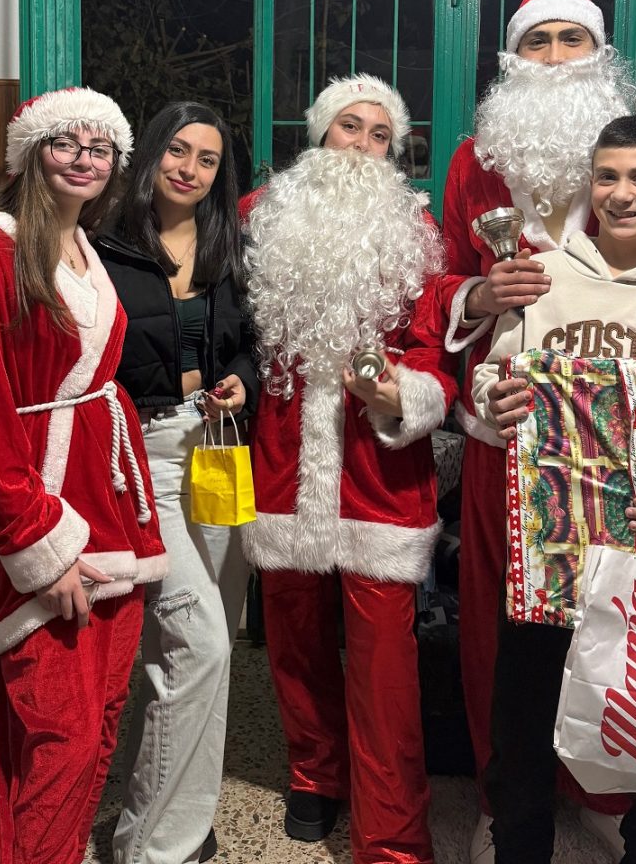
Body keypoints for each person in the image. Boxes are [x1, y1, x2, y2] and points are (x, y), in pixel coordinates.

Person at [439, 0, 636, 862]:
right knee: (513, 648)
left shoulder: (634, 148)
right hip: (525, 464)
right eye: (538, 41)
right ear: (511, 57)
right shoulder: (474, 159)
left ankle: (616, 796)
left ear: (600, 54)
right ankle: (510, 805)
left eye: (573, 39)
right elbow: (448, 284)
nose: (556, 57)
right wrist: (478, 296)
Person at [0, 87, 168, 864]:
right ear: (30, 152)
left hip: (108, 507)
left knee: (99, 717)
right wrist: (38, 544)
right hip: (41, 513)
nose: (83, 159)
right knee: (60, 732)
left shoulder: (83, 243)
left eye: (99, 148)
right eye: (64, 143)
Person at [241, 74, 458, 864]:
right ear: (319, 134)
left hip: (378, 464)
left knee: (383, 660)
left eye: (379, 134)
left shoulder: (416, 231)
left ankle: (391, 830)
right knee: (293, 633)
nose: (363, 145)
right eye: (349, 127)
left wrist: (404, 391)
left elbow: (432, 348)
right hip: (282, 458)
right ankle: (314, 772)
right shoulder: (259, 216)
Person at [95, 101, 259, 864]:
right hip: (141, 456)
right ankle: (153, 846)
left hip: (218, 447)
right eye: (177, 150)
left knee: (203, 650)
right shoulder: (104, 243)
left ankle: (179, 820)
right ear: (152, 153)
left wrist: (240, 381)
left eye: (207, 159)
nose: (188, 169)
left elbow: (251, 344)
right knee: (200, 648)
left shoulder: (231, 246)